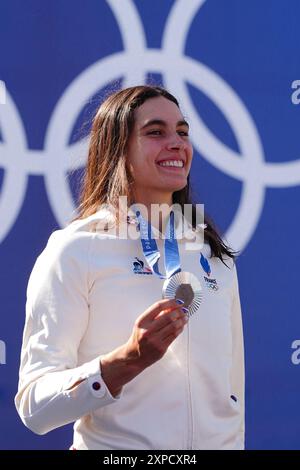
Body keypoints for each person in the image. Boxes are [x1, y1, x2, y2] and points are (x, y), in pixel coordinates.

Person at [15, 85, 245, 450]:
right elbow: (35, 407)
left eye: (182, 132)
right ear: (117, 148)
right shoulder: (77, 249)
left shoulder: (213, 253)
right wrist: (125, 361)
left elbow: (232, 394)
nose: (176, 143)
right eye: (156, 132)